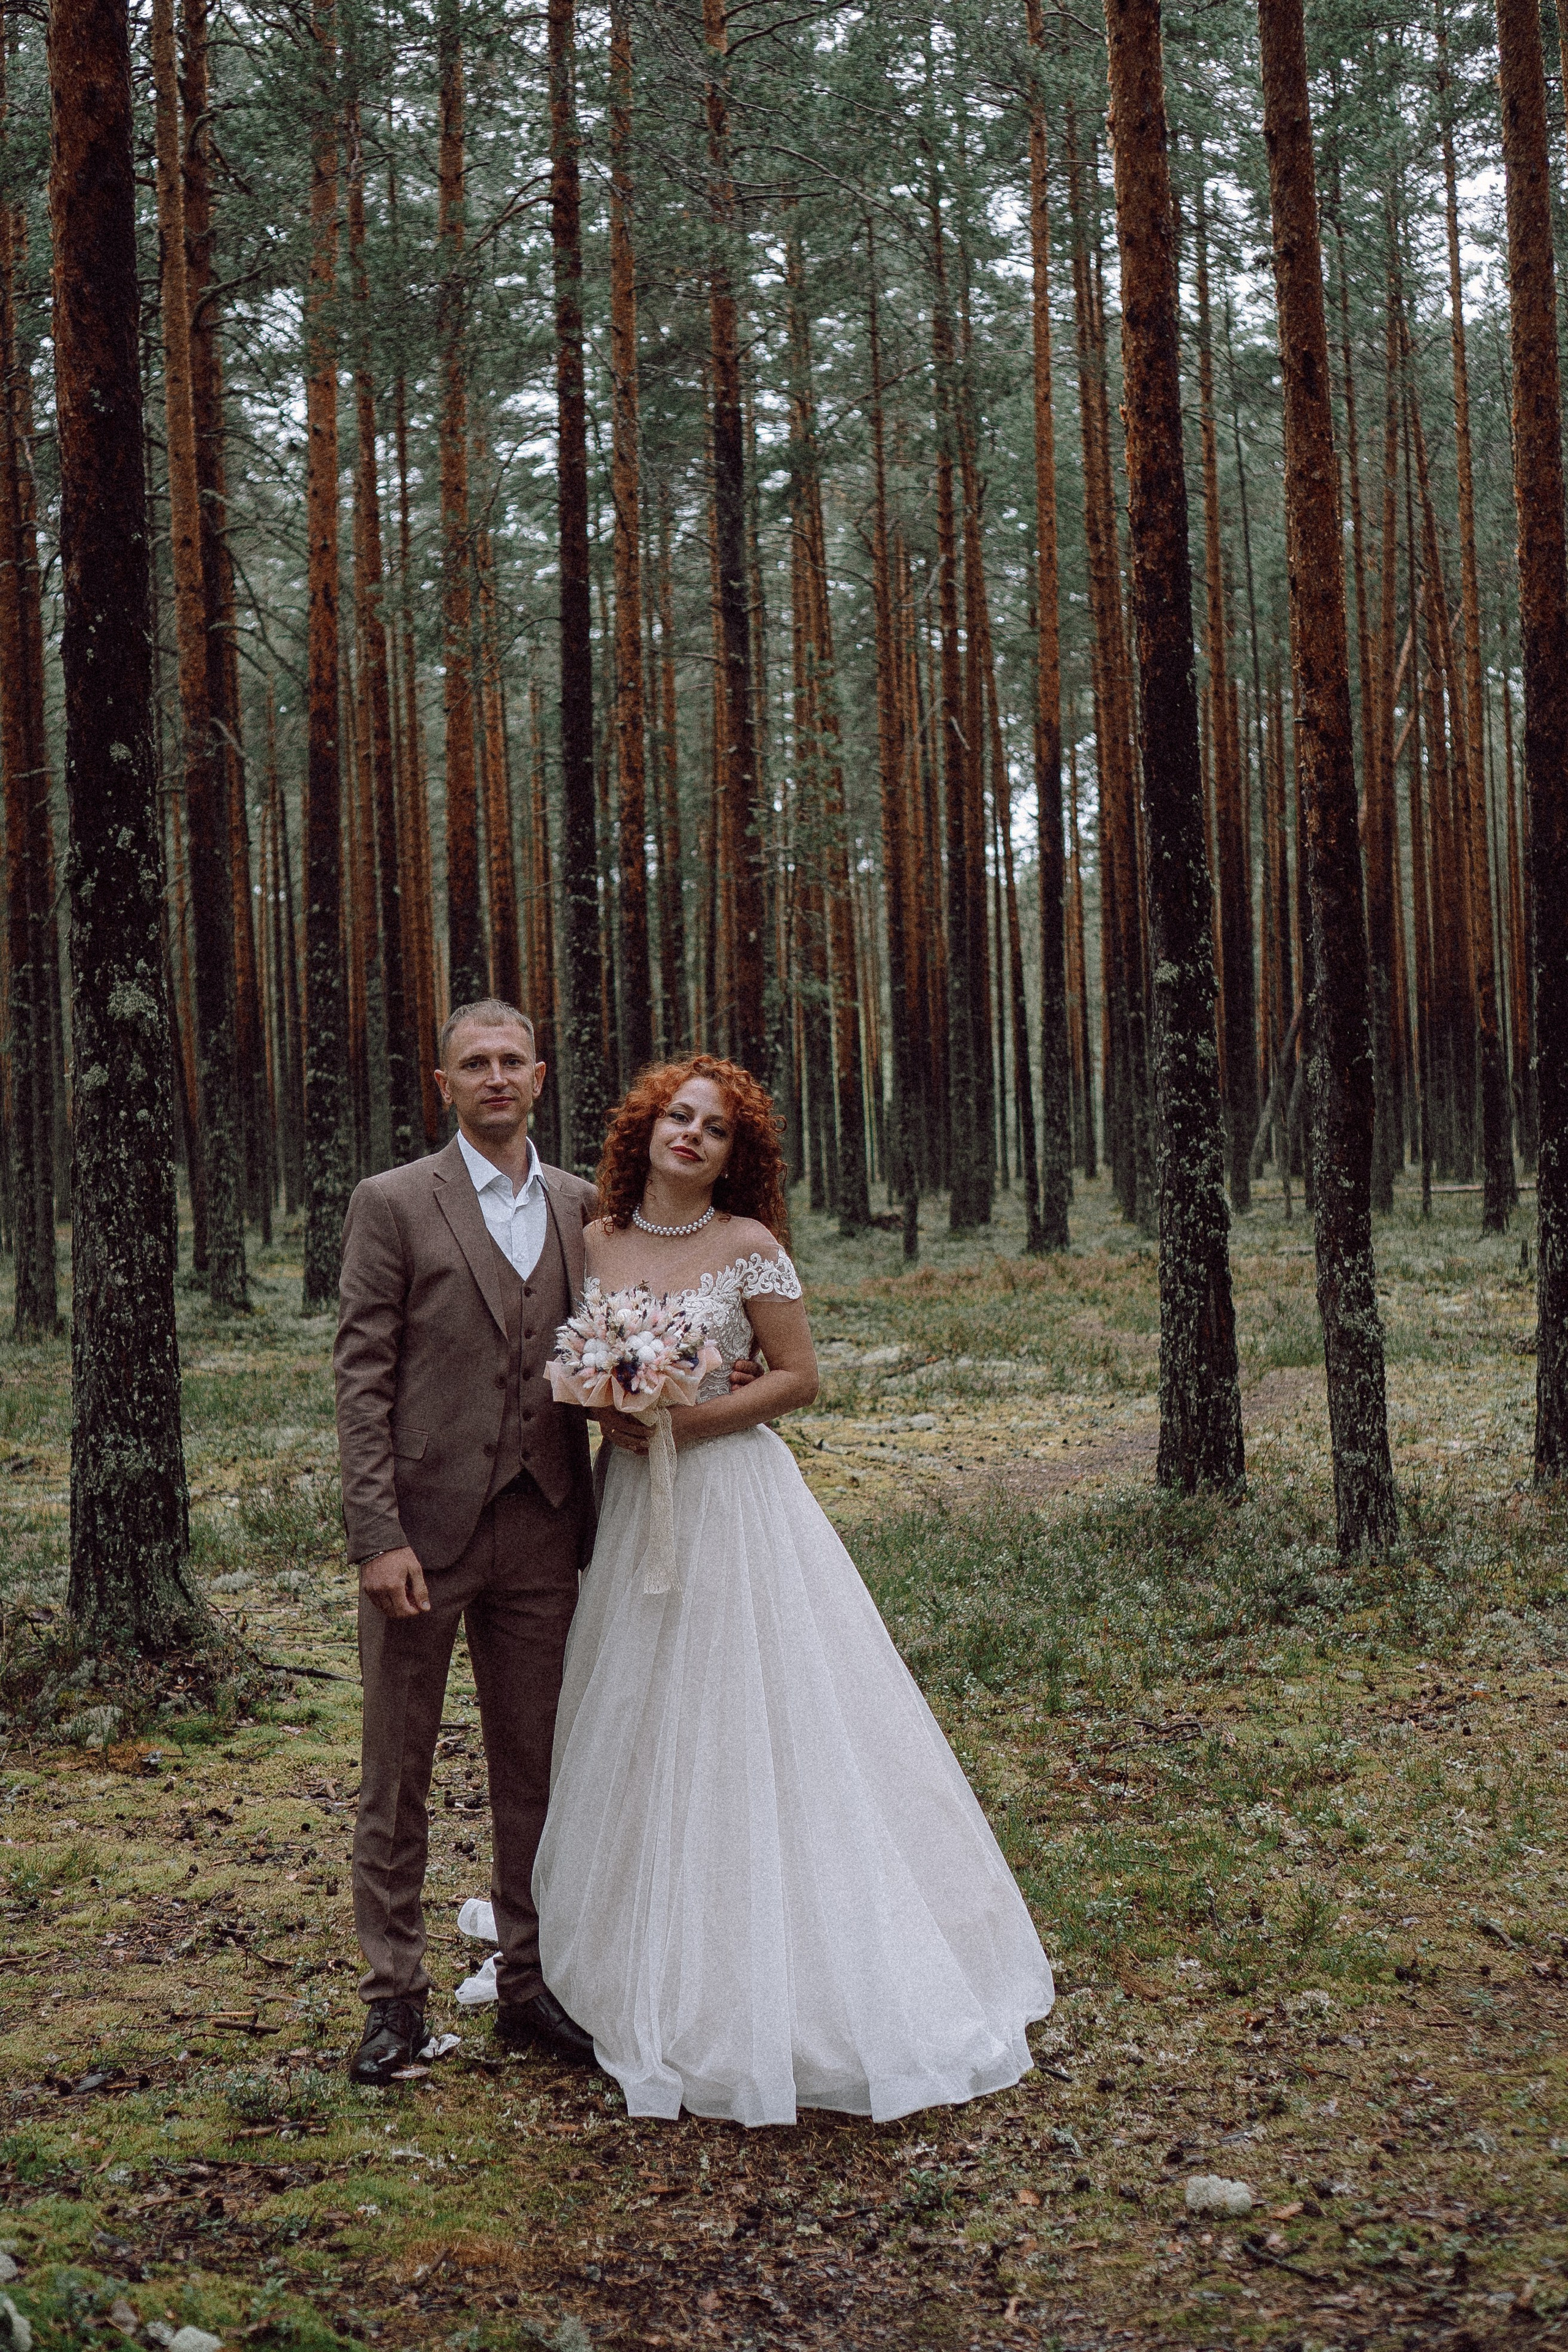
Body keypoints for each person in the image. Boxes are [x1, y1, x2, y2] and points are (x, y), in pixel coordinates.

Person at [532, 1054, 1054, 2126]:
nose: (690, 1137)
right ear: (646, 1129)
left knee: (755, 1709)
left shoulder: (750, 1248)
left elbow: (798, 1379)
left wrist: (684, 1418)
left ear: (738, 1152)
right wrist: (610, 1411)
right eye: (677, 1118)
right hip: (633, 1507)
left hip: (732, 1504)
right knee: (639, 1710)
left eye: (714, 1129)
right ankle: (636, 1944)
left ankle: (787, 1957)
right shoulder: (598, 1240)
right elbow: (587, 1369)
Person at [333, 998, 601, 2083]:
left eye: (512, 1062)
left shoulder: (589, 1208)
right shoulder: (393, 1203)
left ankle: (532, 1986)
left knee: (537, 1770)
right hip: (422, 1540)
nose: (496, 1078)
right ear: (442, 1084)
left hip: (545, 1529)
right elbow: (361, 1377)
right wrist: (376, 1531)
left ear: (541, 1080)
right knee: (394, 1775)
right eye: (473, 1064)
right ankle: (392, 2001)